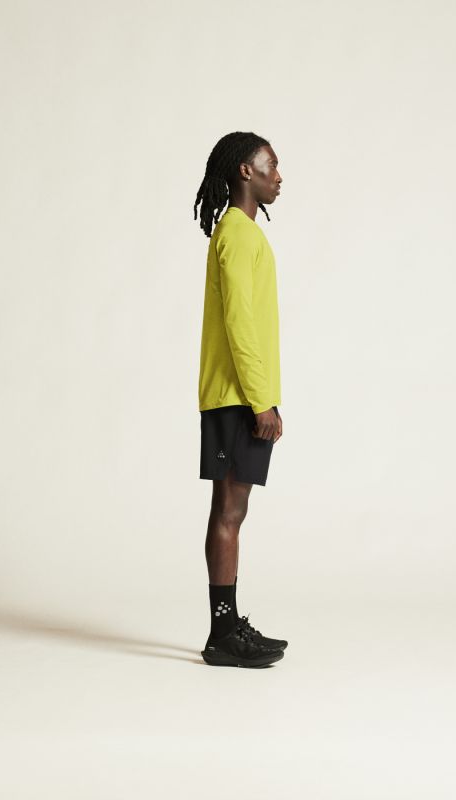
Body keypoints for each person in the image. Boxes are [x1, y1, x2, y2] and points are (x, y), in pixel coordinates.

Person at [193, 131, 288, 668]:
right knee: (229, 511)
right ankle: (223, 634)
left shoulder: (245, 234)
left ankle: (227, 627)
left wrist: (264, 397)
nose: (279, 176)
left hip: (242, 396)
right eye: (271, 165)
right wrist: (260, 402)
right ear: (245, 172)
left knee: (234, 509)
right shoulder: (235, 232)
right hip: (237, 398)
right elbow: (239, 325)